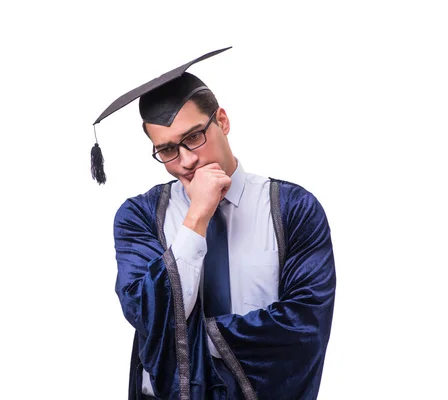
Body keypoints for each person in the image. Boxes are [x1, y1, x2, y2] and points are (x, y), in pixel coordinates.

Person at [92, 47, 336, 400]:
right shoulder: (140, 216)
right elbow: (143, 313)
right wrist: (197, 217)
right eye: (167, 150)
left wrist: (180, 339)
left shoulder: (293, 209)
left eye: (193, 137)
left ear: (222, 120)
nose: (186, 161)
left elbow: (304, 325)